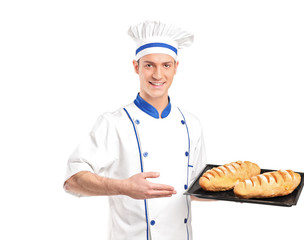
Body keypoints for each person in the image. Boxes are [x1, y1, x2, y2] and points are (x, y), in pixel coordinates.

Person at [64, 20, 207, 240]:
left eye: (166, 65)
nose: (158, 75)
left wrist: (235, 190)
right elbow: (72, 180)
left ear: (176, 68)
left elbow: (198, 189)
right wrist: (124, 187)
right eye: (149, 65)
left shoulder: (191, 123)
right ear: (136, 67)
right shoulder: (114, 123)